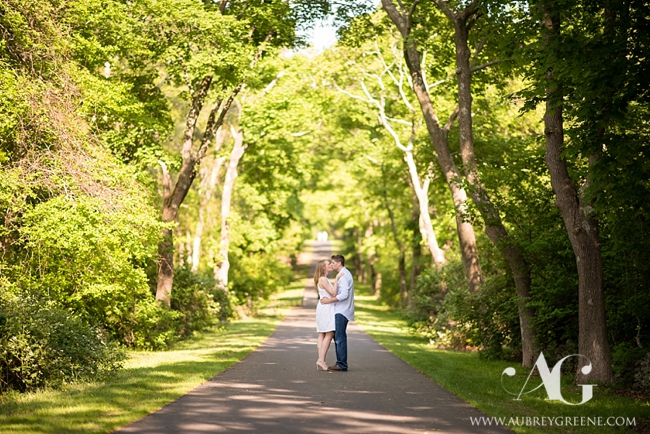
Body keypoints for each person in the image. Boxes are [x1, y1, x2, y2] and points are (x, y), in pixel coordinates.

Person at [320, 254, 354, 371]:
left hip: (341, 311)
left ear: (339, 263)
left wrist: (329, 300)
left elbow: (344, 295)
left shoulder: (344, 276)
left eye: (333, 263)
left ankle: (341, 364)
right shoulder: (344, 274)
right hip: (341, 310)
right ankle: (340, 362)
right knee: (339, 337)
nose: (332, 264)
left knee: (339, 338)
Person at [314, 259, 340, 371]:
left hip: (323, 307)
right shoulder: (323, 279)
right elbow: (333, 293)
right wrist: (338, 279)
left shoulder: (322, 279)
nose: (330, 265)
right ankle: (321, 360)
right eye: (328, 264)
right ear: (324, 267)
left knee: (322, 334)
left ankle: (321, 360)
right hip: (326, 308)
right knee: (329, 333)